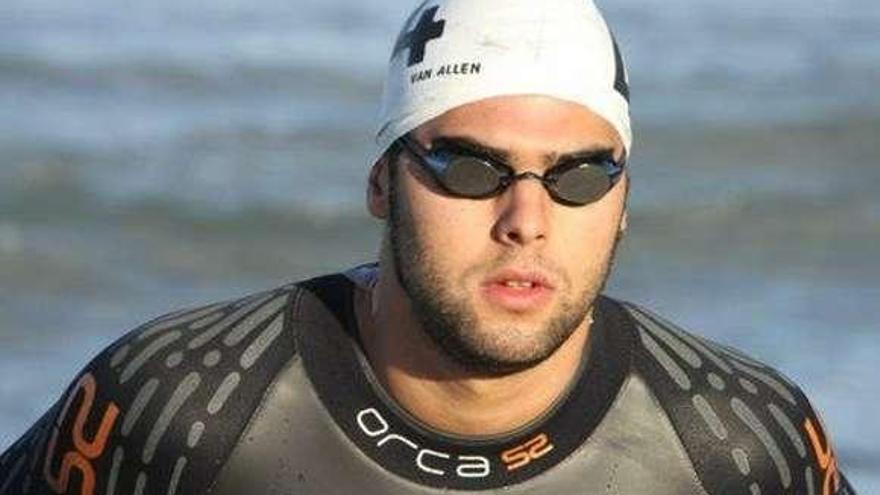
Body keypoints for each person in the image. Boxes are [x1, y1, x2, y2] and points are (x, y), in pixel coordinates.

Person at [0, 0, 857, 493]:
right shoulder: (181, 410)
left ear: (624, 199)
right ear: (382, 181)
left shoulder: (737, 445)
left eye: (582, 176)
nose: (527, 217)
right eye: (470, 168)